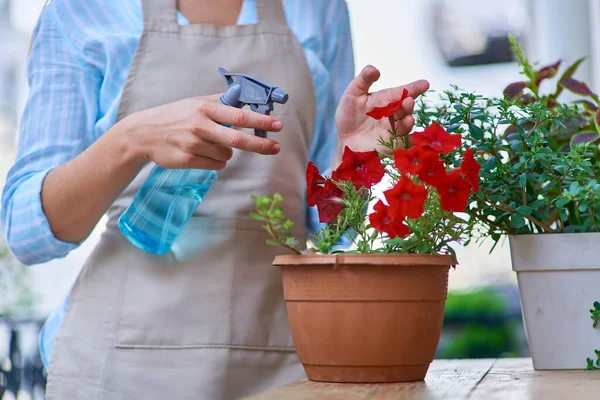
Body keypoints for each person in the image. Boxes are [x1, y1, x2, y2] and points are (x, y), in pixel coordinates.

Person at [1, 0, 429, 398]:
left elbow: (330, 230)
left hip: (282, 359)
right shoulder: (83, 10)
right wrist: (129, 140)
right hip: (120, 366)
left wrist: (353, 157)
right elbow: (28, 233)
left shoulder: (316, 7)